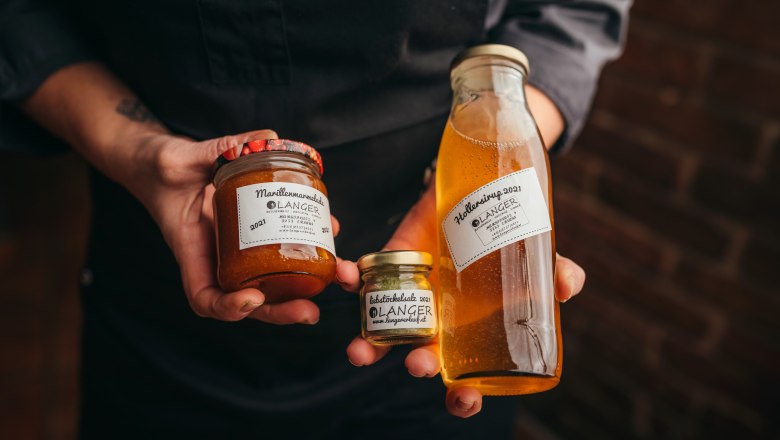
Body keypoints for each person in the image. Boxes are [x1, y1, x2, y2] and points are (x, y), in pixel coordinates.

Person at [0, 0, 628, 438]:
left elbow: (568, 13)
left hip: (433, 282)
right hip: (161, 281)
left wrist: (483, 176)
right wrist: (137, 153)